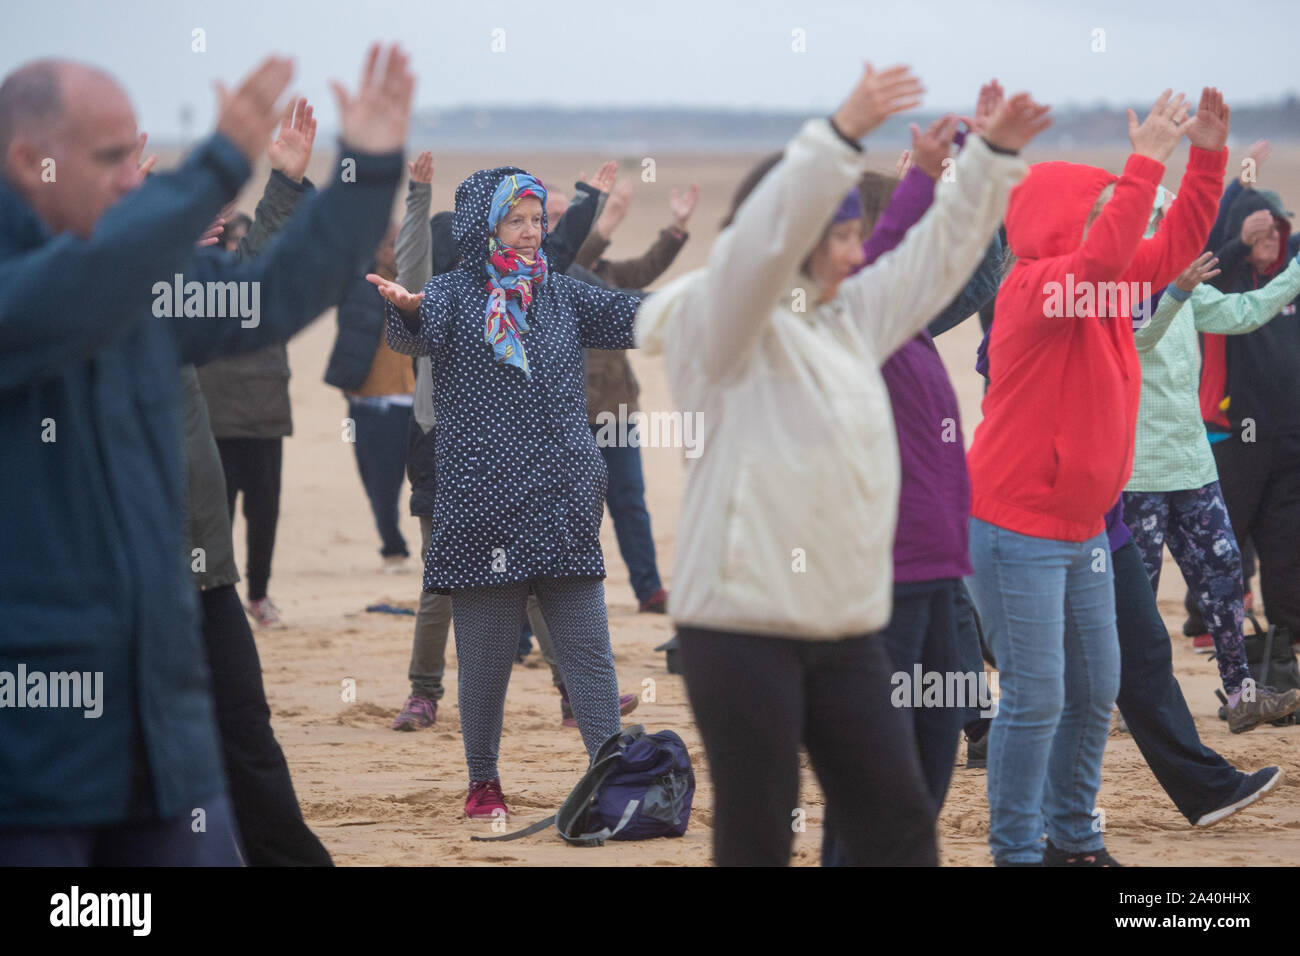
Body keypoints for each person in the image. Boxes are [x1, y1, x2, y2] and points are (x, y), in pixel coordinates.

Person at [0, 47, 412, 864]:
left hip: (163, 747)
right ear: (26, 161)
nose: (132, 180)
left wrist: (366, 169)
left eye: (137, 157)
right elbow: (71, 292)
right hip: (32, 771)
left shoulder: (143, 282)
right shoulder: (61, 284)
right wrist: (219, 164)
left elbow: (275, 292)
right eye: (111, 159)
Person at [636, 62, 1047, 866]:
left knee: (897, 826)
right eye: (846, 233)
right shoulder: (722, 327)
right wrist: (836, 137)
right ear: (797, 234)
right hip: (740, 625)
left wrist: (991, 162)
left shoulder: (847, 319)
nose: (862, 252)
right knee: (758, 835)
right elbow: (759, 249)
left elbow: (931, 262)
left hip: (845, 623)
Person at [964, 87, 1229, 867]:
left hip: (1081, 529)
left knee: (1093, 693)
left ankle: (1073, 841)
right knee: (1038, 697)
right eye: (1100, 209)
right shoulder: (1039, 286)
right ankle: (1017, 849)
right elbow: (1112, 251)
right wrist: (1145, 159)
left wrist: (1205, 156)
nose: (1116, 220)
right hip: (1015, 529)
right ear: (1060, 222)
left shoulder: (1103, 288)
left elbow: (1174, 242)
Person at [371, 165, 641, 821]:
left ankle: (607, 774)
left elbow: (633, 315)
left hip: (563, 501)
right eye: (515, 220)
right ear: (485, 226)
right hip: (482, 506)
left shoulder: (562, 293)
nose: (529, 232)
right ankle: (483, 783)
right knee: (487, 661)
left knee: (590, 655)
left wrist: (713, 302)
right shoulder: (454, 295)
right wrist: (401, 311)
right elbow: (413, 329)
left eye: (536, 220)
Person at [1124, 234, 1300, 730]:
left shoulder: (1185, 284)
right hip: (1137, 470)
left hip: (1193, 463)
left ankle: (1243, 692)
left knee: (1224, 579)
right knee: (1138, 593)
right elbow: (1137, 337)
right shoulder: (1115, 283)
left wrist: (1295, 272)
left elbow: (1239, 314)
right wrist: (1175, 291)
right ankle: (1125, 702)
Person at [194, 98, 324, 627]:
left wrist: (286, 186)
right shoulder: (151, 285)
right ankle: (212, 599)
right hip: (208, 425)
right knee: (209, 523)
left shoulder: (247, 286)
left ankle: (256, 595)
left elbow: (283, 254)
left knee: (262, 516)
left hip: (264, 418)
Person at [574, 175, 699, 614]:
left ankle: (649, 590)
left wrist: (676, 228)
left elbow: (648, 268)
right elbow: (569, 258)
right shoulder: (547, 279)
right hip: (569, 418)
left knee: (630, 503)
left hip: (616, 413)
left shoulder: (608, 274)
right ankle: (567, 601)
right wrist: (607, 221)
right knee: (571, 513)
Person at [1199, 182, 1300, 649]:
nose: (1272, 241)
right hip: (1236, 432)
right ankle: (1206, 627)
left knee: (1287, 543)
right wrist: (1236, 198)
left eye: (1276, 232)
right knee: (1226, 537)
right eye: (1260, 235)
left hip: (1291, 436)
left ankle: (1286, 637)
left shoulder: (1291, 271)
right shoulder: (1225, 282)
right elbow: (1203, 266)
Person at [325, 224, 417, 572]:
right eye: (392, 244)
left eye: (403, 244)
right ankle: (392, 546)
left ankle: (428, 548)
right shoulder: (359, 282)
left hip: (416, 404)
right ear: (377, 249)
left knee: (430, 481)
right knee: (377, 480)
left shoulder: (424, 280)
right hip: (366, 405)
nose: (397, 251)